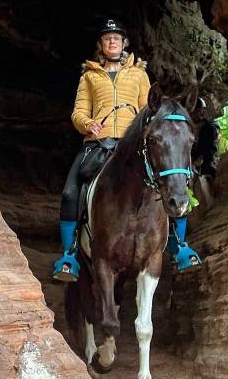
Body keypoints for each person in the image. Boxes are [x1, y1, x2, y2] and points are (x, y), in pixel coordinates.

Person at [52, 19, 202, 282]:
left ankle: (180, 246)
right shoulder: (89, 76)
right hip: (99, 143)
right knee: (70, 192)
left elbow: (150, 111)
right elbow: (78, 112)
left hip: (131, 146)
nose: (113, 42)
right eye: (108, 38)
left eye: (117, 38)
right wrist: (88, 124)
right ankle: (70, 254)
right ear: (101, 45)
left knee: (174, 181)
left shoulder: (138, 75)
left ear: (124, 44)